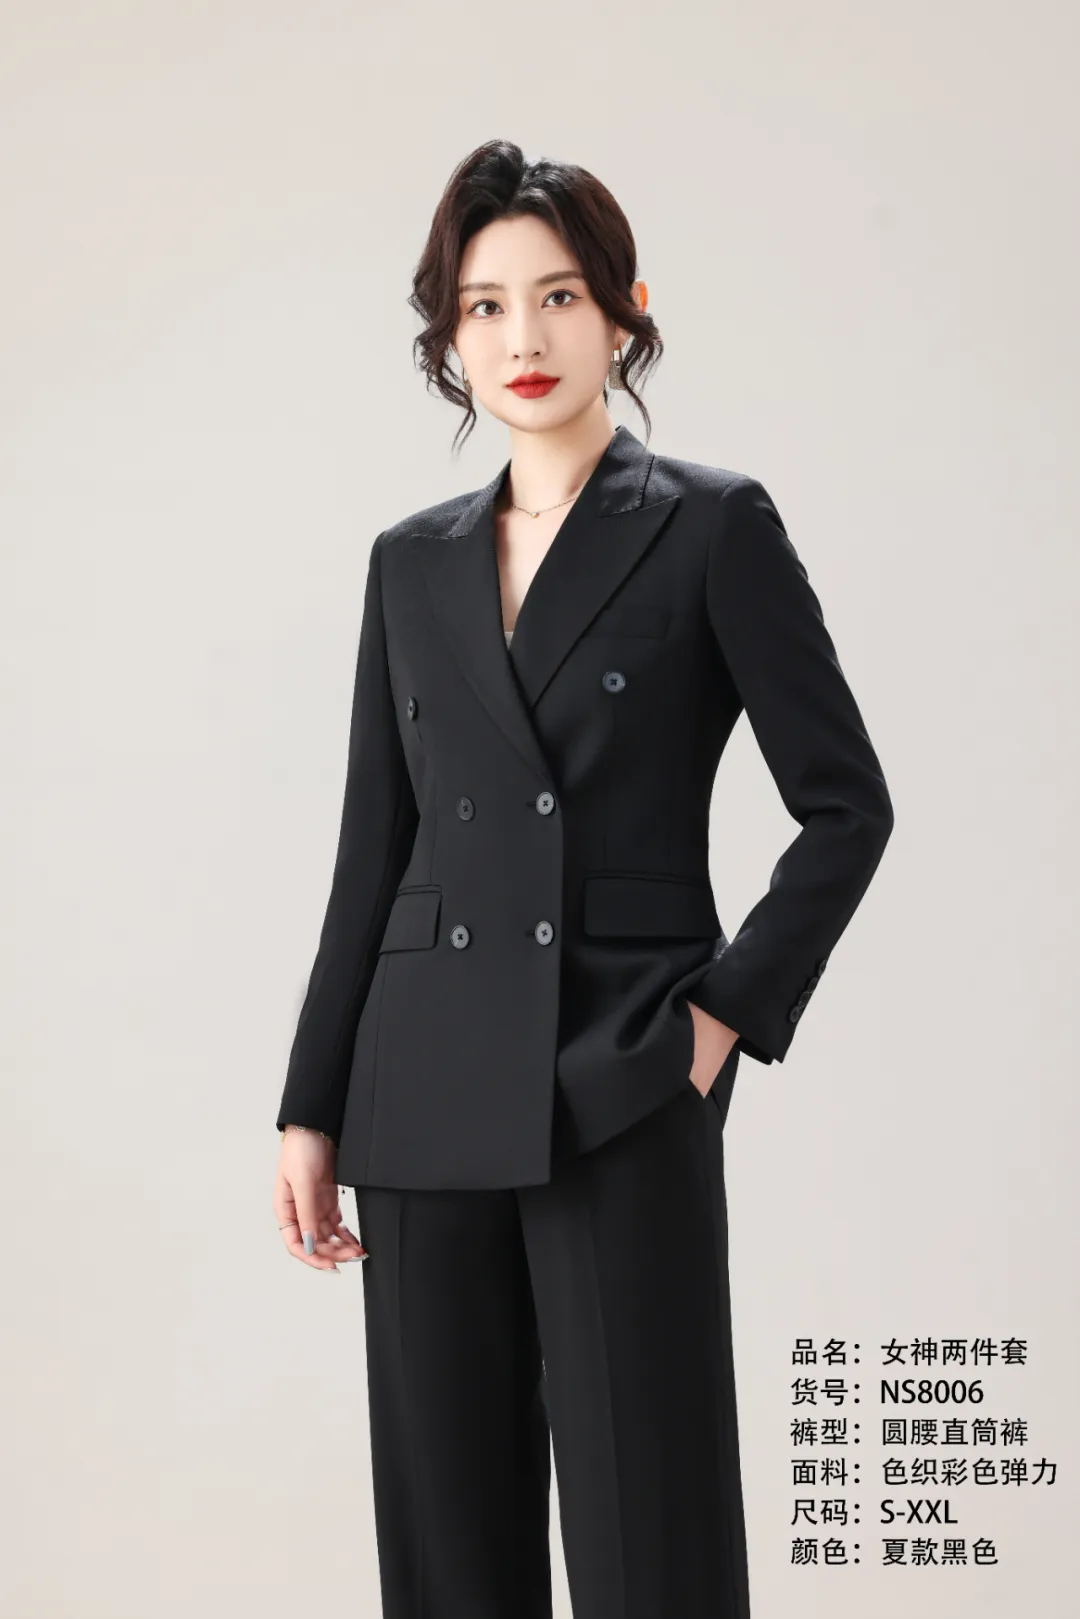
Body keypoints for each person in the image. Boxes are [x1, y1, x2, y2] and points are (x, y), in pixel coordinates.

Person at [272, 138, 894, 1619]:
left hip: (617, 1072)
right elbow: (374, 852)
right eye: (484, 307)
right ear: (449, 339)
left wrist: (713, 1025)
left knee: (651, 1545)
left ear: (624, 312)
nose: (524, 337)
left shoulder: (711, 525)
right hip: (418, 1095)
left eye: (558, 296)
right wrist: (310, 1102)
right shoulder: (409, 563)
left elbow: (847, 807)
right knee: (450, 1560)